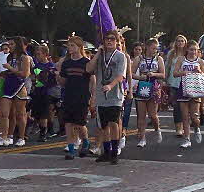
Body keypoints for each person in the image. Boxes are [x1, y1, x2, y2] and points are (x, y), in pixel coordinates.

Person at [87, 30, 127, 165]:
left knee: (113, 123)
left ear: (117, 42)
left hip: (115, 95)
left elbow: (121, 76)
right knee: (103, 125)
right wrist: (98, 52)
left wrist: (111, 85)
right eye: (107, 39)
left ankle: (115, 152)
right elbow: (88, 69)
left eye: (112, 39)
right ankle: (106, 151)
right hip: (101, 95)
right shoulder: (100, 56)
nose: (109, 41)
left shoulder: (121, 56)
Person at [58, 36, 95, 160]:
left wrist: (92, 96)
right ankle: (71, 147)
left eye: (72, 45)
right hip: (68, 95)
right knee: (68, 123)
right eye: (69, 46)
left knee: (80, 123)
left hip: (82, 96)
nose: (70, 48)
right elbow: (63, 81)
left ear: (79, 47)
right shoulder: (66, 63)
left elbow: (92, 79)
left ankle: (85, 141)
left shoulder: (85, 62)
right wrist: (58, 76)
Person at [0, 36, 31, 147]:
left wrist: (10, 68)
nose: (9, 46)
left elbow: (25, 74)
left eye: (12, 44)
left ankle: (21, 137)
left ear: (18, 45)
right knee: (4, 113)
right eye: (9, 44)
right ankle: (4, 137)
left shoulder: (24, 57)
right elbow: (7, 71)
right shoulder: (9, 57)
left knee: (20, 114)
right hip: (8, 84)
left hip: (19, 86)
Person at [132, 39, 165, 148]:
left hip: (154, 86)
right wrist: (141, 77)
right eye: (153, 48)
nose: (154, 50)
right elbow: (131, 73)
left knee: (152, 115)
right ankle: (142, 138)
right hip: (142, 86)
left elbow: (163, 74)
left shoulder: (158, 59)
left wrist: (154, 74)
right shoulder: (139, 59)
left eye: (156, 48)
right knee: (141, 115)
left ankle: (157, 129)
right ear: (147, 47)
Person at [174, 40, 204, 148]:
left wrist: (199, 71)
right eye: (191, 49)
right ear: (187, 49)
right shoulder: (181, 59)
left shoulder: (200, 61)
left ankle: (197, 128)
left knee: (194, 117)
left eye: (196, 50)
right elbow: (175, 73)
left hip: (195, 89)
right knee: (184, 116)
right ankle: (187, 139)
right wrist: (184, 72)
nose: (193, 52)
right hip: (184, 88)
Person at [31, 45, 57, 142]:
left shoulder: (50, 66)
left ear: (45, 54)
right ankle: (41, 129)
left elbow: (53, 80)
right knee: (37, 113)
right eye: (36, 54)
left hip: (46, 92)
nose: (37, 56)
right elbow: (35, 77)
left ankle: (44, 133)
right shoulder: (37, 66)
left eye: (39, 54)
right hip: (38, 91)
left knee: (44, 114)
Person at [165, 35, 187, 136]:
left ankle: (186, 125)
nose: (180, 43)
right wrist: (164, 80)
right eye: (178, 41)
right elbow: (167, 67)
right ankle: (178, 128)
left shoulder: (188, 53)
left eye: (182, 41)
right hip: (173, 82)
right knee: (176, 106)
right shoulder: (171, 54)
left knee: (186, 106)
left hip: (186, 83)